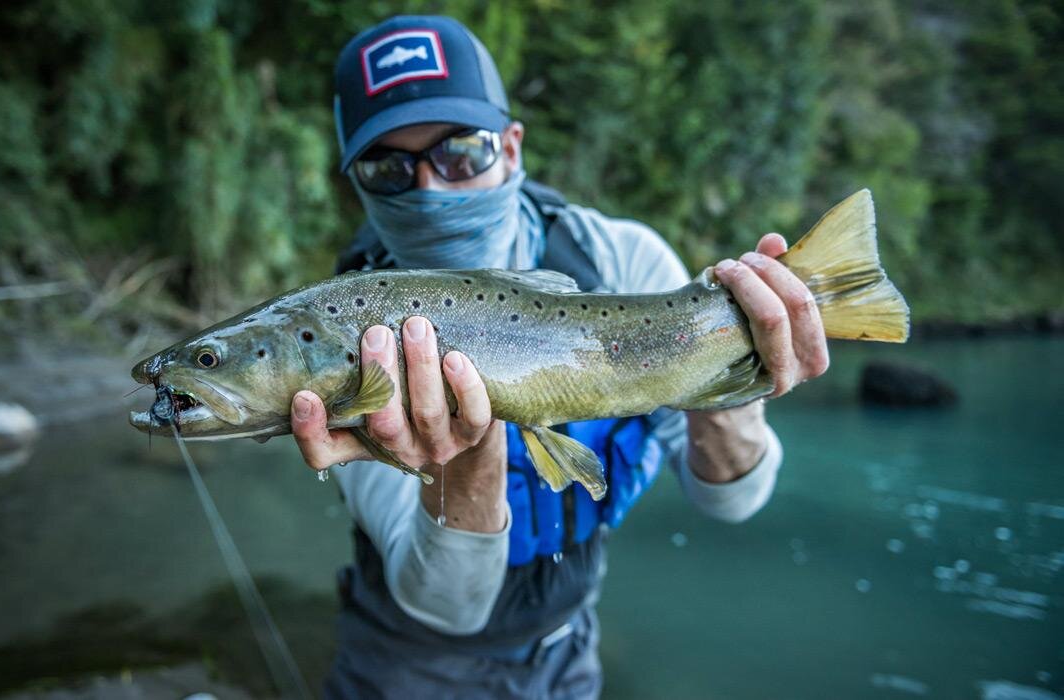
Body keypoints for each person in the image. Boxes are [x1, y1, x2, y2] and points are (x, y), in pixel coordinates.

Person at [290, 15, 829, 699]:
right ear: (358, 184)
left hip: (568, 648)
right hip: (403, 658)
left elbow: (733, 502)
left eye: (462, 153)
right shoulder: (342, 344)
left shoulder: (624, 263)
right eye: (389, 168)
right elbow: (447, 607)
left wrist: (731, 384)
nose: (432, 188)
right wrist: (465, 459)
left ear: (511, 149)